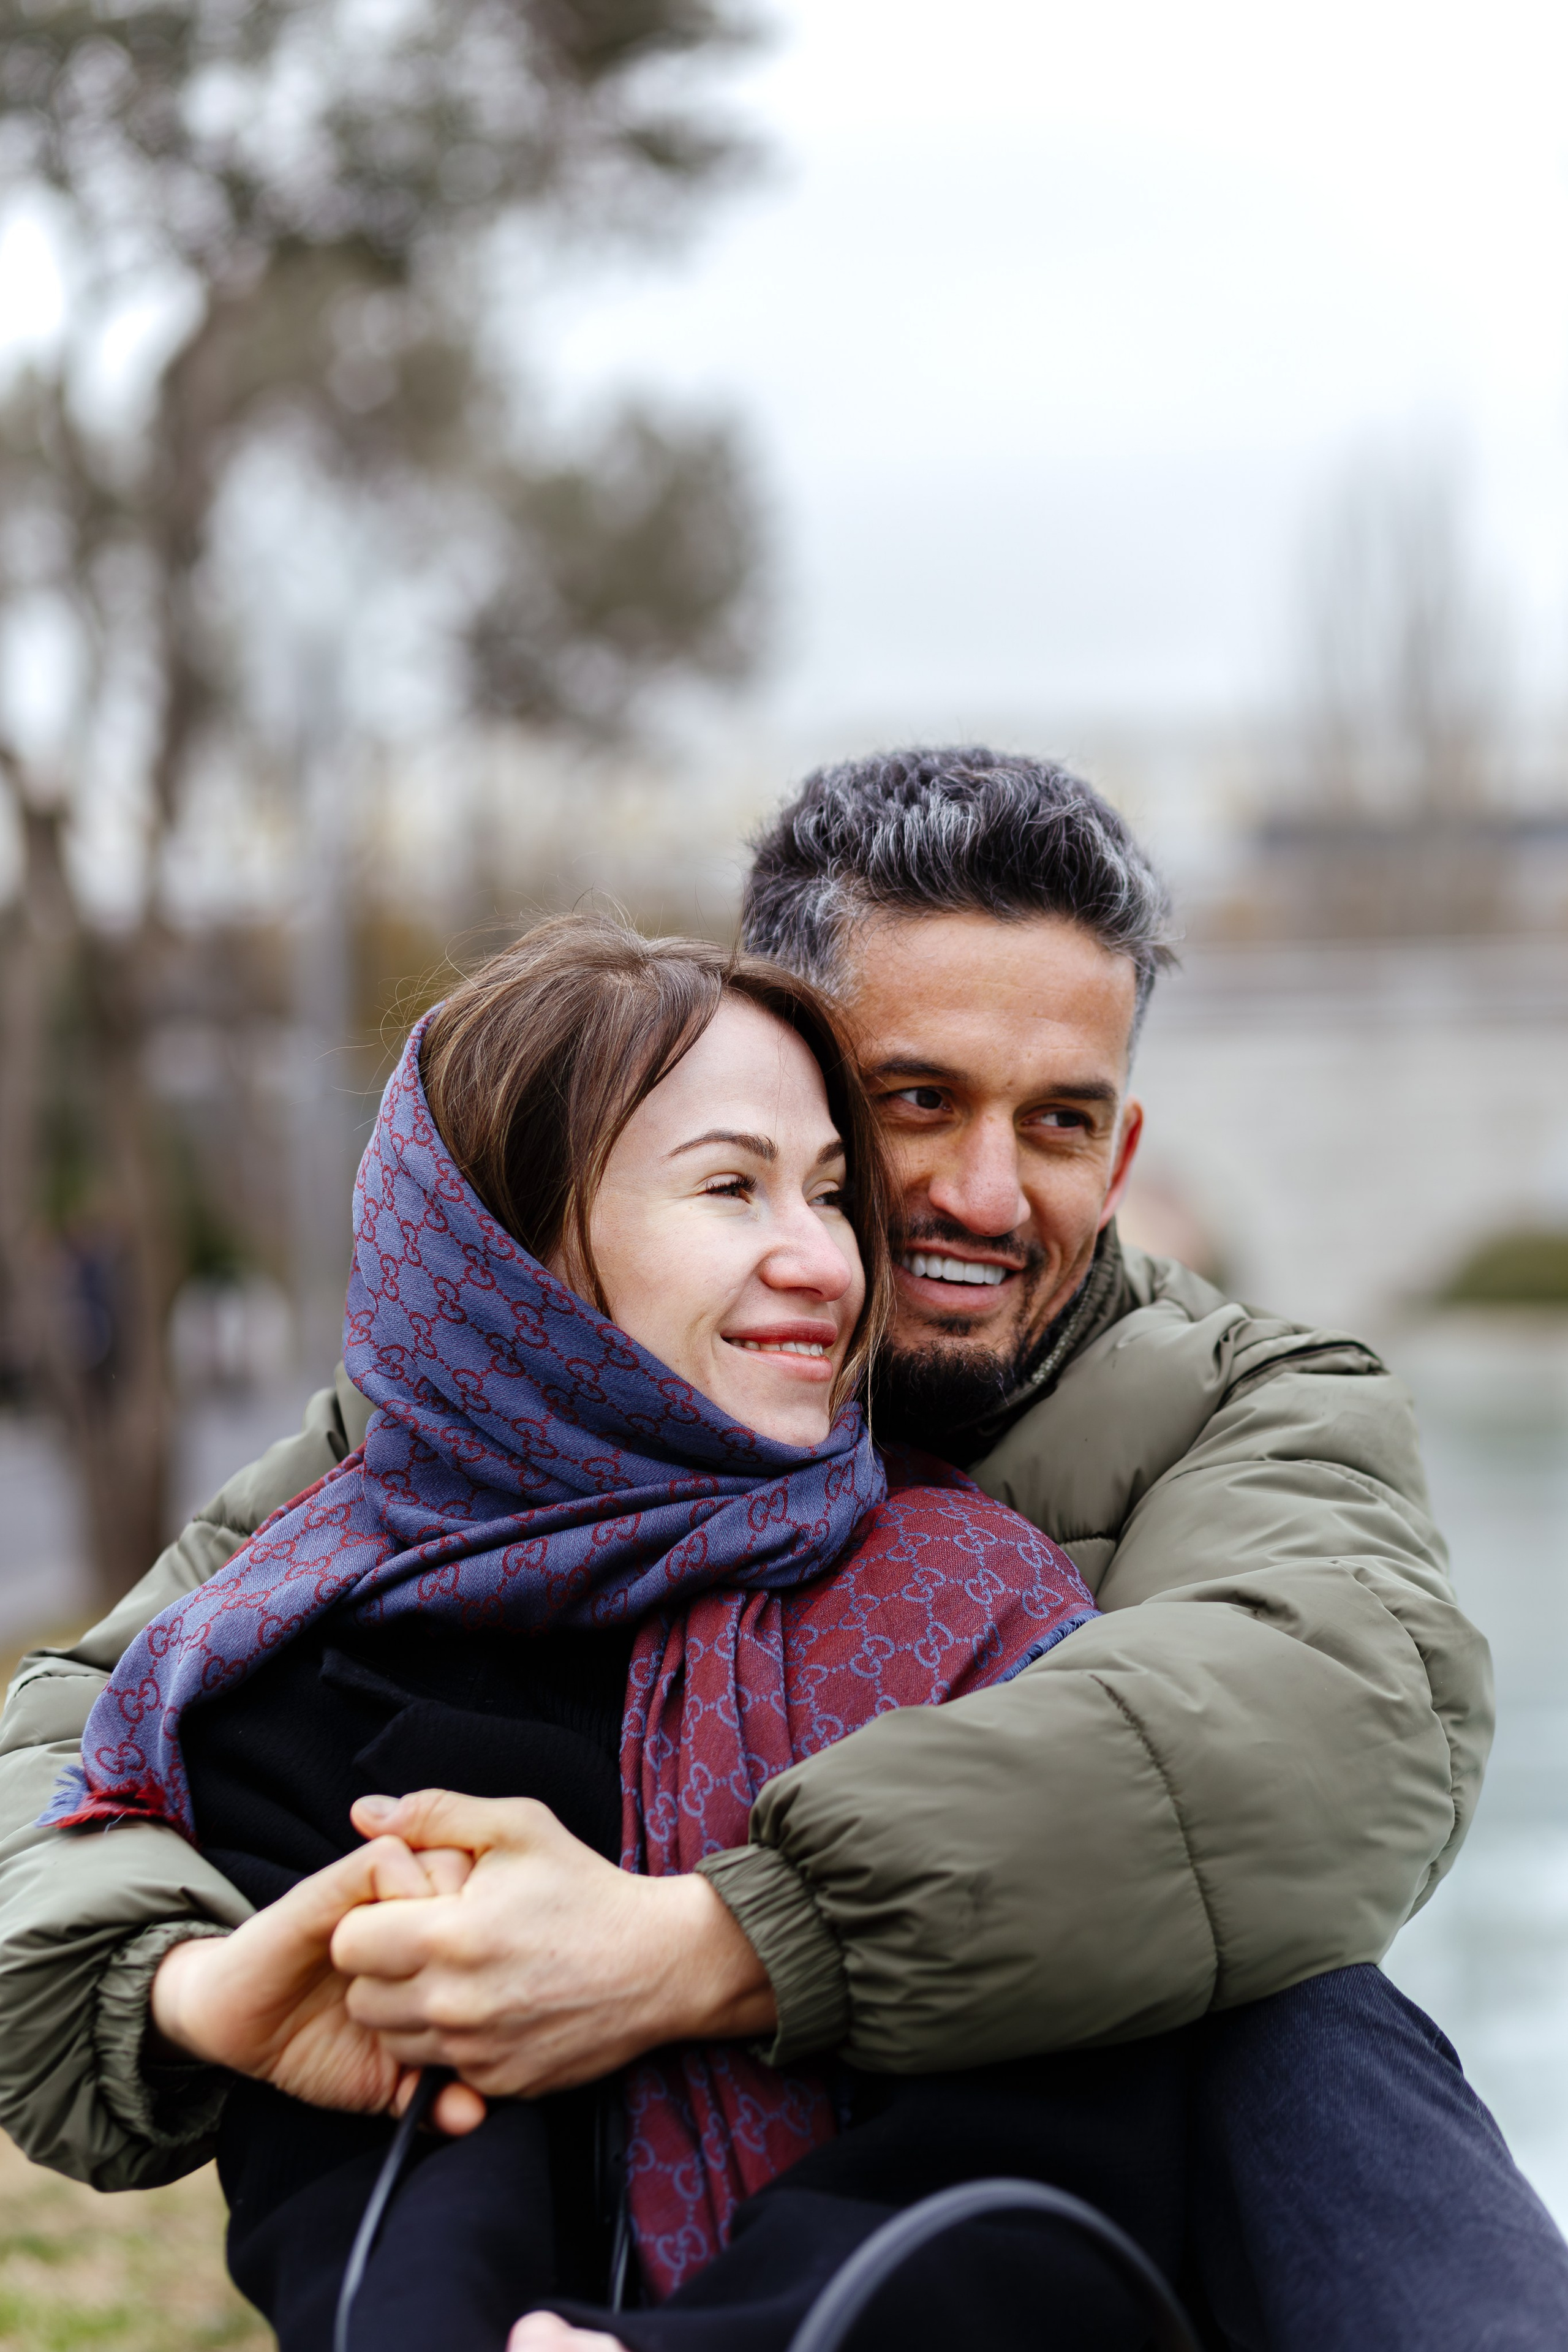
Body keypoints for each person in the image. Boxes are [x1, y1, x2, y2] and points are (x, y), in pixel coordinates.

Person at [0, 747, 1563, 2351]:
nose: (981, 1191)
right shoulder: (465, 1425)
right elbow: (73, 1752)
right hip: (570, 2178)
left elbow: (1328, 1730)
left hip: (1077, 2167)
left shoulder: (1254, 1399)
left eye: (1062, 1124)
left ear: (1129, 1140)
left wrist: (707, 1941)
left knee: (1279, 1988)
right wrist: (190, 1991)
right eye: (916, 1103)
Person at [48, 915, 1169, 2352]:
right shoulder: (288, 1673)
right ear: (506, 1257)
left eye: (829, 1195)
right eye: (732, 1188)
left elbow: (1058, 2134)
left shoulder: (980, 1608)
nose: (825, 1263)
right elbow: (371, 2179)